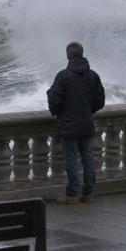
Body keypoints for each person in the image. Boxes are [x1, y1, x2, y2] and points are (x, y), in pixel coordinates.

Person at [47, 42, 105, 204]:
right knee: (87, 157)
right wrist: (88, 110)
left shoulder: (63, 76)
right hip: (86, 122)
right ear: (81, 53)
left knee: (71, 158)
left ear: (68, 55)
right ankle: (88, 192)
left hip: (68, 124)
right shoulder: (93, 75)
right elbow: (100, 100)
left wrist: (57, 111)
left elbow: (54, 99)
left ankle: (72, 194)